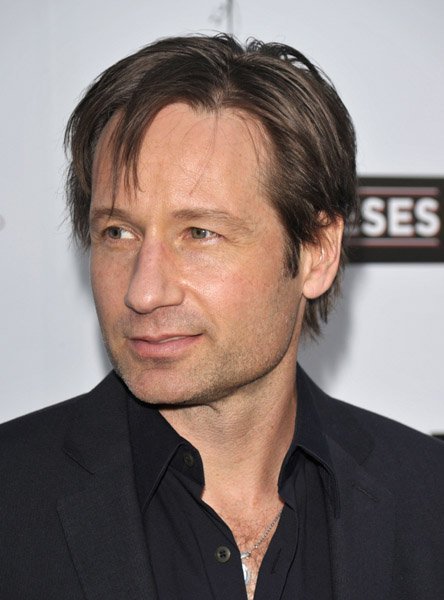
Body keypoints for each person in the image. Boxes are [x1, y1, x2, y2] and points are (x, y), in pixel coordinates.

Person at [0, 34, 443, 600]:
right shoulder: (13, 496)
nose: (143, 291)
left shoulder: (429, 499)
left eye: (200, 233)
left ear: (316, 253)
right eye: (118, 232)